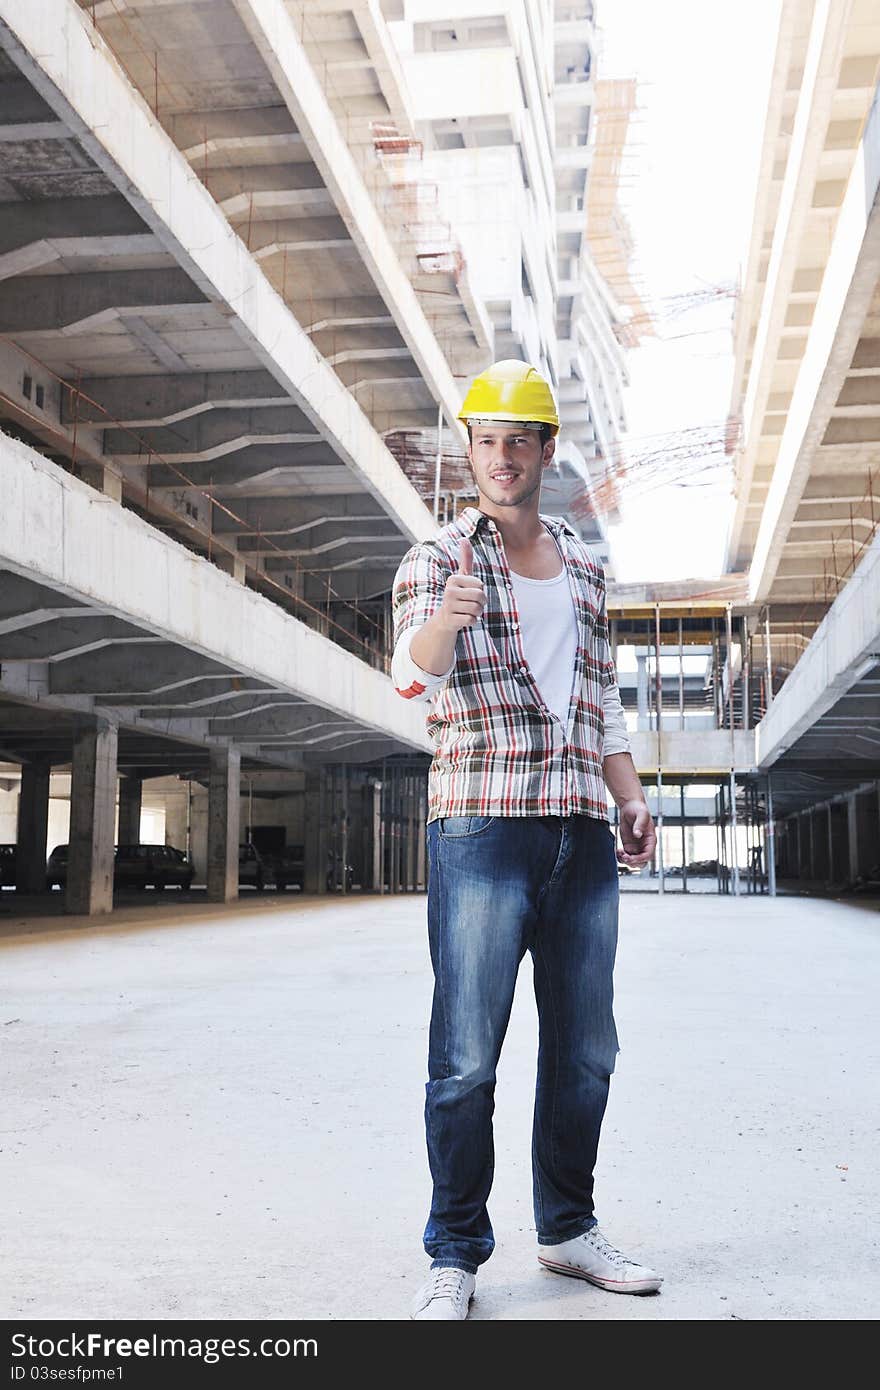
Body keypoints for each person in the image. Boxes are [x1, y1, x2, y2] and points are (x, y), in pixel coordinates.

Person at [390, 360, 662, 1321]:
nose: (500, 459)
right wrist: (443, 627)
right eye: (485, 441)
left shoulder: (587, 565)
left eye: (518, 441)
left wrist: (627, 796)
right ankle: (454, 1252)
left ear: (545, 451)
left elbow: (601, 701)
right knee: (466, 1053)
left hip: (582, 831)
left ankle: (568, 1230)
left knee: (586, 1048)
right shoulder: (435, 560)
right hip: (480, 824)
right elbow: (409, 679)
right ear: (467, 451)